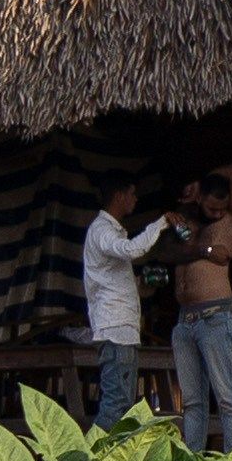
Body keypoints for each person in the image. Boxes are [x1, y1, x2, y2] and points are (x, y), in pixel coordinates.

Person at [78, 177, 174, 429]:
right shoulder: (101, 230)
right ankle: (90, 459)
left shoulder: (109, 232)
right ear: (119, 195)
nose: (135, 199)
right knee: (115, 404)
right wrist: (162, 222)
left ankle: (105, 460)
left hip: (123, 331)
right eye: (132, 194)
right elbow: (131, 250)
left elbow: (115, 282)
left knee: (122, 407)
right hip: (115, 331)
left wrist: (142, 285)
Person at [170, 161, 232, 449]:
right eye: (212, 207)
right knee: (192, 402)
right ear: (200, 198)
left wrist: (204, 177)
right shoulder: (189, 225)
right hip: (185, 320)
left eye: (222, 208)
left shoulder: (231, 223)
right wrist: (196, 187)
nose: (217, 213)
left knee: (228, 398)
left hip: (215, 316)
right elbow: (166, 249)